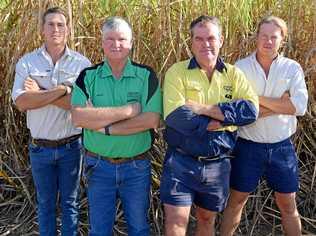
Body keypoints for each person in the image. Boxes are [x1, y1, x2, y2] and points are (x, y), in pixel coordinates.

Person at [161, 15, 259, 236]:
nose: (206, 44)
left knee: (206, 220)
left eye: (211, 38)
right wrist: (223, 119)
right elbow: (176, 116)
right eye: (199, 38)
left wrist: (205, 109)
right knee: (176, 221)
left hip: (217, 165)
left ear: (221, 40)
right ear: (191, 42)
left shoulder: (233, 74)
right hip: (181, 162)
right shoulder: (177, 72)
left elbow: (251, 111)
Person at [71, 16, 162, 236]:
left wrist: (103, 126)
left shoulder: (146, 75)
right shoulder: (87, 77)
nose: (116, 44)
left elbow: (151, 120)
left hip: (136, 167)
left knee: (139, 227)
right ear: (102, 43)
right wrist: (129, 111)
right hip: (98, 166)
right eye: (109, 39)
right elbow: (79, 117)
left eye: (122, 39)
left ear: (131, 43)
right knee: (99, 230)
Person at [220, 16, 308, 236]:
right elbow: (236, 111)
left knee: (288, 204)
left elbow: (300, 107)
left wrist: (255, 99)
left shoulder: (292, 68)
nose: (268, 41)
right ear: (256, 37)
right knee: (236, 201)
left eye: (274, 37)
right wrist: (282, 104)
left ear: (282, 40)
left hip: (282, 148)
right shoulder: (240, 68)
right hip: (248, 147)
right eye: (264, 36)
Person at [11, 7, 90, 236]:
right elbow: (22, 103)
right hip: (40, 149)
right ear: (42, 30)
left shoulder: (81, 64)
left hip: (72, 147)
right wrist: (63, 90)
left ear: (68, 30)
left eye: (60, 25)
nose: (56, 29)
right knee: (45, 206)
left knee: (70, 205)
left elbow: (82, 107)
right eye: (51, 24)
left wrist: (41, 92)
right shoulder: (27, 63)